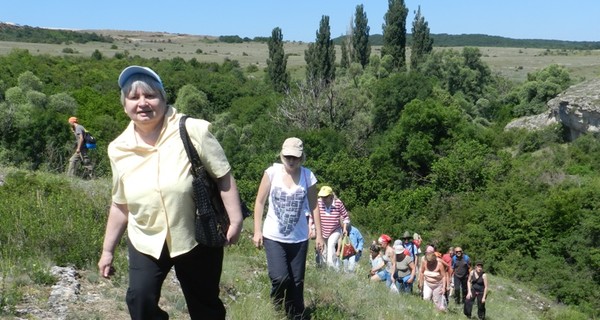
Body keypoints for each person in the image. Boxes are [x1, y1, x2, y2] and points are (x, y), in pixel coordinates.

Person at [97, 65, 244, 320]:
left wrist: (236, 219)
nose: (142, 103)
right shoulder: (118, 148)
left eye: (150, 96)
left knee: (205, 306)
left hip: (195, 234)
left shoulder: (193, 130)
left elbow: (223, 176)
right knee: (140, 302)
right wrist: (107, 250)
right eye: (133, 97)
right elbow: (120, 204)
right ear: (124, 106)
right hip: (146, 238)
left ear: (164, 99)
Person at [253, 137, 324, 320]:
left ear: (301, 158)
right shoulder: (271, 173)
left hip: (299, 238)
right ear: (282, 155)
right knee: (280, 278)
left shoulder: (308, 176)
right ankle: (276, 303)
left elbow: (314, 206)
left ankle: (295, 315)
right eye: (288, 157)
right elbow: (259, 202)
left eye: (295, 157)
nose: (291, 161)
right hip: (273, 236)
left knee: (297, 282)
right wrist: (257, 230)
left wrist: (320, 236)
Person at [308, 185, 349, 269]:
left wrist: (344, 228)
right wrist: (311, 228)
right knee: (322, 251)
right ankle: (322, 270)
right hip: (322, 231)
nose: (323, 198)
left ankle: (332, 269)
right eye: (321, 196)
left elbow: (345, 216)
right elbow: (311, 216)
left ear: (331, 196)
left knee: (331, 246)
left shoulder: (338, 203)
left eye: (325, 197)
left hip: (335, 230)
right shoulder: (318, 202)